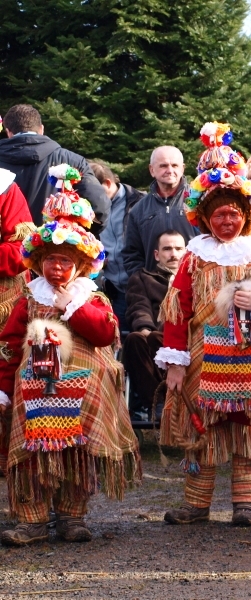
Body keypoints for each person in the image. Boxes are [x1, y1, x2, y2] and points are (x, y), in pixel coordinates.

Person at [0, 165, 140, 546]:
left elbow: (106, 332)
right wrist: (3, 387)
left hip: (80, 388)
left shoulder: (90, 296)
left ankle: (71, 517)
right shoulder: (29, 297)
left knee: (76, 451)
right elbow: (10, 343)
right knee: (31, 454)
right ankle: (31, 520)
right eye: (50, 260)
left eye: (65, 261)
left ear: (80, 264)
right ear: (39, 261)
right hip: (34, 391)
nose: (57, 267)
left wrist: (72, 308)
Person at [156, 123, 251, 528]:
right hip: (202, 355)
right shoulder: (194, 256)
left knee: (248, 425)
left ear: (246, 216)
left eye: (233, 214)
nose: (226, 221)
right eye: (218, 214)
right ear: (205, 218)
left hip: (249, 354)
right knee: (203, 425)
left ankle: (246, 504)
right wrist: (175, 364)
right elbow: (178, 310)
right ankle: (196, 505)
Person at [0, 105, 109, 231]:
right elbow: (99, 207)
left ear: (8, 132)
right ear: (41, 129)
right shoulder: (73, 161)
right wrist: (78, 238)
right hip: (56, 245)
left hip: (6, 246)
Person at [122, 230, 186, 420]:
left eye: (178, 249)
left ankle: (173, 401)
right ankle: (157, 402)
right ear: (157, 254)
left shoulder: (198, 280)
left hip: (188, 341)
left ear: (187, 252)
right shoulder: (142, 278)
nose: (173, 254)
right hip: (154, 338)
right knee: (135, 339)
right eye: (167, 249)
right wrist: (145, 330)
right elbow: (138, 306)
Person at [0, 161, 36, 477]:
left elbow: (21, 249)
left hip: (5, 300)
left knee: (6, 367)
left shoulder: (6, 187)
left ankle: (7, 455)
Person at [122, 146, 196, 276]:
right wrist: (142, 282)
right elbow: (132, 254)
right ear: (152, 170)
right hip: (155, 289)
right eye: (163, 166)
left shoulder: (199, 201)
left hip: (195, 285)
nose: (170, 170)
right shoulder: (139, 210)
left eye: (175, 165)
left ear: (183, 168)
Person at [89, 161, 145, 331]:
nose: (89, 197)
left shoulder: (140, 201)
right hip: (115, 288)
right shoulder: (91, 208)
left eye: (92, 191)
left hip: (142, 286)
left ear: (107, 183)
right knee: (120, 338)